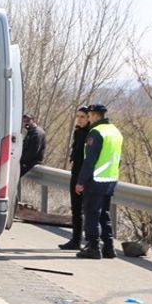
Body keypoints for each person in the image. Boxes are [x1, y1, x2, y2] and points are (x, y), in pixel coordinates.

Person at [74, 103, 122, 260]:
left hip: (96, 179)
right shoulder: (115, 132)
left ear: (94, 116)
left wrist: (81, 181)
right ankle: (109, 247)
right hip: (111, 179)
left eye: (89, 115)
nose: (88, 118)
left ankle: (93, 247)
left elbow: (90, 161)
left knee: (92, 214)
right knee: (104, 214)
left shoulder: (96, 132)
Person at [59, 106, 91, 250]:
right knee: (76, 209)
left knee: (88, 210)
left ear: (89, 118)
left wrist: (83, 179)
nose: (79, 119)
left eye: (82, 116)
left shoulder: (91, 134)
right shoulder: (78, 132)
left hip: (86, 175)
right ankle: (75, 240)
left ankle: (90, 243)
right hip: (76, 172)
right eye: (78, 116)